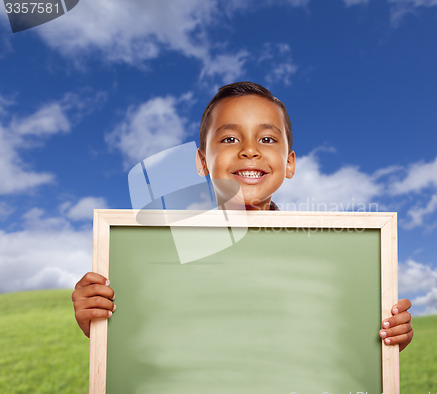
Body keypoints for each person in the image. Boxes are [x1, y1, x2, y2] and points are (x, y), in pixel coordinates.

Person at [72, 81, 413, 351]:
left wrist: (386, 336)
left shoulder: (327, 257)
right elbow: (148, 338)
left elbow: (337, 337)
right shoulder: (160, 252)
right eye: (230, 138)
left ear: (289, 163)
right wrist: (101, 324)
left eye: (266, 138)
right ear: (202, 162)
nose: (249, 150)